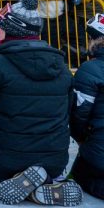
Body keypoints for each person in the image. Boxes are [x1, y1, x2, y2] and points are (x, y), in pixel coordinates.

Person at [0, 0, 82, 206]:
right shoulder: (61, 66)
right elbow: (69, 109)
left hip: (10, 154)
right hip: (55, 158)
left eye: (0, 27)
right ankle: (46, 182)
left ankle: (28, 186)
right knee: (40, 165)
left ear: (12, 30)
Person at [70, 14, 104, 201]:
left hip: (98, 152)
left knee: (80, 175)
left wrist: (82, 139)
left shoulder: (90, 69)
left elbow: (78, 116)